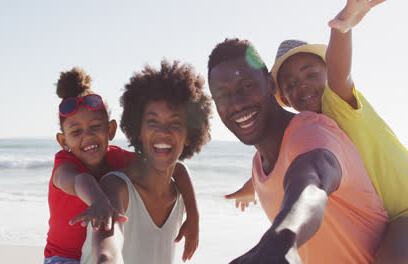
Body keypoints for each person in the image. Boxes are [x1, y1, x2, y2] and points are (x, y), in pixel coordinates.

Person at [207, 38, 388, 263]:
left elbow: (312, 182)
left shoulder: (312, 130)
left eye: (247, 86)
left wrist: (282, 239)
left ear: (271, 86)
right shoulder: (258, 166)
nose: (236, 103)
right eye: (222, 95)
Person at [269, 1, 408, 262]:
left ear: (327, 72)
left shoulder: (337, 102)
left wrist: (342, 26)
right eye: (291, 84)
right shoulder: (308, 133)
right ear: (285, 99)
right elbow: (277, 159)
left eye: (311, 74)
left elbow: (340, 74)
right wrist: (248, 187)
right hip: (382, 223)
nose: (303, 86)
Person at [44, 67, 200, 264]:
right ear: (63, 141)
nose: (88, 136)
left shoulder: (118, 158)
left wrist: (193, 217)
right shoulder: (64, 166)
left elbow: (175, 168)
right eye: (76, 132)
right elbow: (79, 180)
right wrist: (97, 200)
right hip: (63, 258)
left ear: (111, 130)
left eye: (95, 127)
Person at [82, 60, 212, 264]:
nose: (163, 131)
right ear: (139, 131)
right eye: (153, 122)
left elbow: (179, 169)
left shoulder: (179, 193)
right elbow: (108, 246)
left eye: (175, 123)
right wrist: (107, 258)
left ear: (189, 134)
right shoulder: (116, 187)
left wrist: (194, 216)